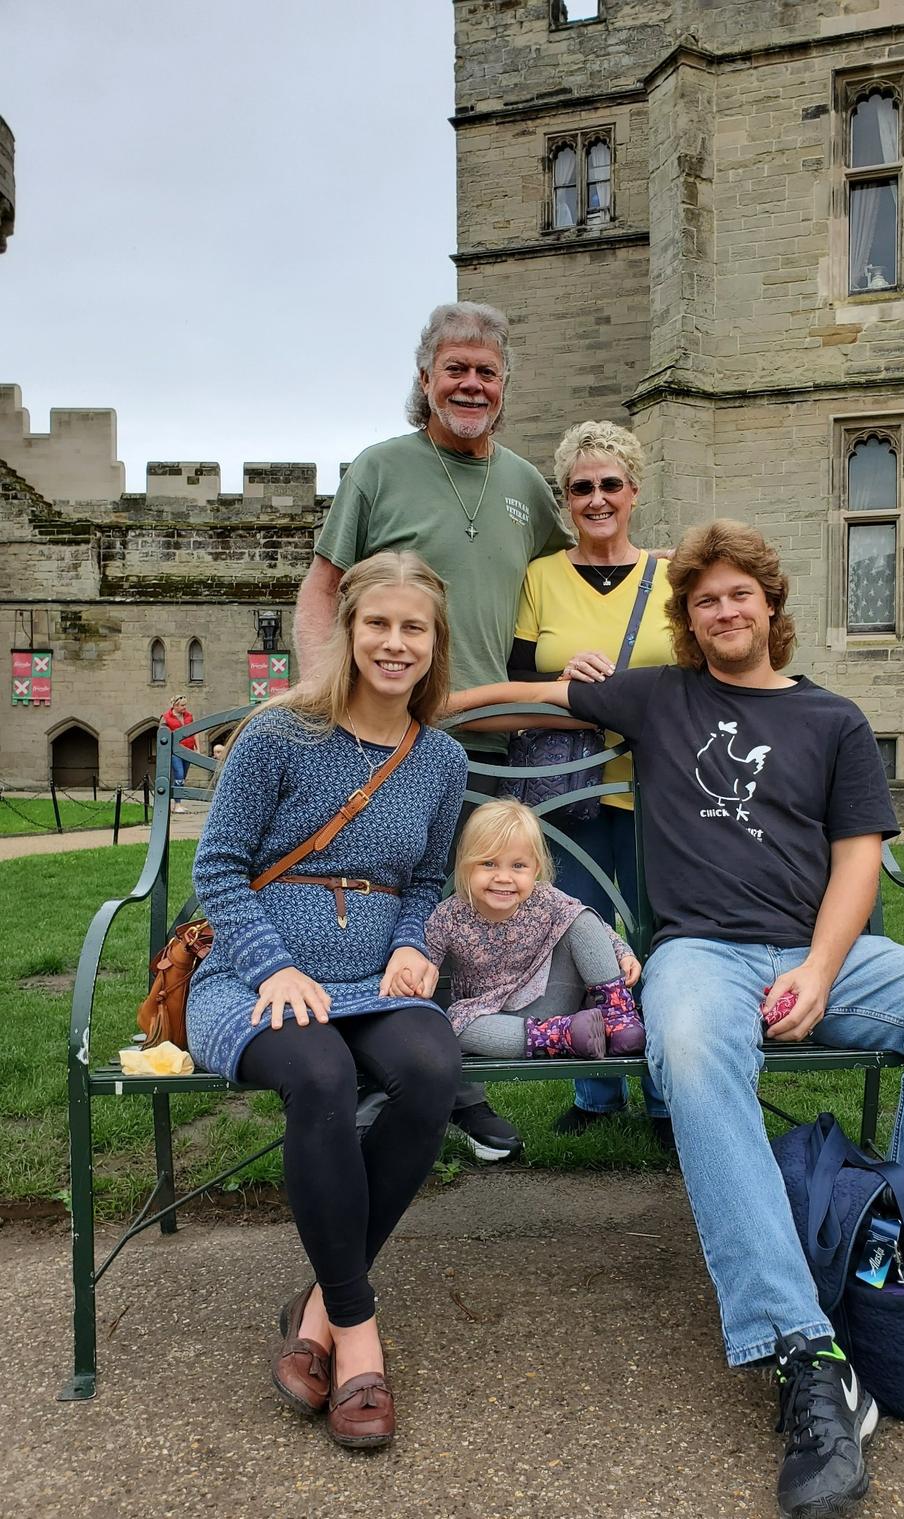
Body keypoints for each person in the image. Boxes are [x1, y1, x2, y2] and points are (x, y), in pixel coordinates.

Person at [446, 519, 904, 1519]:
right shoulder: (661, 696)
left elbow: (858, 860)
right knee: (684, 1044)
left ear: (770, 604)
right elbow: (528, 698)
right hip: (701, 956)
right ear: (689, 617)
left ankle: (903, 1275)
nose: (723, 610)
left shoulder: (833, 719)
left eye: (738, 594)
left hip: (825, 952)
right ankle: (802, 1346)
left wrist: (820, 968)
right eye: (704, 599)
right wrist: (416, 703)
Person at [185, 551, 467, 1449]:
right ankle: (357, 1331)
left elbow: (427, 880)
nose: (394, 642)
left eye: (413, 627)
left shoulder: (441, 758)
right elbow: (217, 868)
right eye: (377, 622)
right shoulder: (281, 734)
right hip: (251, 974)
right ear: (348, 630)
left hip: (373, 981)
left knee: (432, 1069)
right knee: (320, 1075)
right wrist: (272, 966)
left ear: (435, 643)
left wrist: (415, 944)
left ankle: (314, 1308)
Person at [295, 300, 574, 1164]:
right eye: (455, 368)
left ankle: (430, 1077)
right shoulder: (380, 468)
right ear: (426, 379)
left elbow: (569, 582)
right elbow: (322, 590)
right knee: (397, 903)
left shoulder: (528, 487)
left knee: (470, 912)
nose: (471, 384)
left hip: (501, 745)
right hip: (396, 738)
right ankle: (431, 1086)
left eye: (487, 371)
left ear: (505, 386)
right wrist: (322, 698)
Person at [507, 420, 673, 1142]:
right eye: (581, 488)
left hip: (658, 786)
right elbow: (518, 673)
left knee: (660, 934)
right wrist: (561, 678)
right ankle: (596, 1087)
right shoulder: (542, 577)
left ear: (634, 491)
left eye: (610, 484)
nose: (597, 498)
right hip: (565, 786)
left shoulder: (671, 576)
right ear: (566, 499)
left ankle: (665, 1090)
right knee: (577, 932)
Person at [426, 798, 644, 1061]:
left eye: (518, 866)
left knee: (580, 917)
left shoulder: (544, 898)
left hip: (551, 997)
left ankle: (618, 1016)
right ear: (465, 865)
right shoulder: (449, 915)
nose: (503, 877)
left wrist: (622, 952)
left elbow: (594, 928)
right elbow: (424, 959)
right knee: (455, 1025)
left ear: (535, 869)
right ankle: (565, 1037)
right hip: (492, 1017)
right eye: (488, 863)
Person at [160, 695, 198, 813]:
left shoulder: (189, 716)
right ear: (175, 706)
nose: (185, 707)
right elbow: (163, 734)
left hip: (188, 750)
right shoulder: (166, 717)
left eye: (185, 705)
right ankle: (177, 804)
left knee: (183, 776)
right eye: (182, 705)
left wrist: (197, 747)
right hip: (176, 751)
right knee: (179, 775)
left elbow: (195, 732)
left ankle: (178, 803)